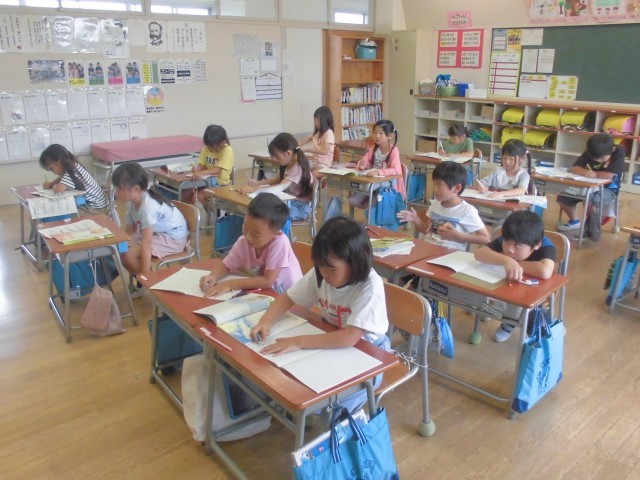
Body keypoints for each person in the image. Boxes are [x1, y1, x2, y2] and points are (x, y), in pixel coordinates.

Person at [250, 216, 389, 411]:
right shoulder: (322, 274)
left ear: (355, 262)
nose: (324, 273)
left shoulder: (370, 287)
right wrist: (265, 322)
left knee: (335, 408)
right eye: (320, 266)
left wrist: (299, 342)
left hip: (369, 351)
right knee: (297, 383)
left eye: (331, 268)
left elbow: (349, 337)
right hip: (331, 336)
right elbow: (287, 298)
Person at [199, 193, 303, 297]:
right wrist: (213, 276)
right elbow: (226, 265)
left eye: (256, 234)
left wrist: (230, 284)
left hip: (291, 297)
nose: (248, 237)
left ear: (277, 233)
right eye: (245, 227)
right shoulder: (243, 242)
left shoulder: (280, 242)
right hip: (266, 293)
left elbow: (267, 281)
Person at [474, 211, 556, 342]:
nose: (509, 249)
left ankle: (510, 321)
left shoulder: (545, 245)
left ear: (537, 245)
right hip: (507, 283)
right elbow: (479, 253)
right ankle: (496, 311)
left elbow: (545, 271)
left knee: (533, 318)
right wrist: (507, 261)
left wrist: (515, 264)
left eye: (517, 245)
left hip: (534, 291)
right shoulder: (510, 237)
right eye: (506, 241)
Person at [112, 163, 188, 297]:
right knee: (122, 250)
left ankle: (150, 282)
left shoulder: (148, 207)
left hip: (173, 238)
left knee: (129, 254)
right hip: (157, 234)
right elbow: (128, 233)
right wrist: (122, 245)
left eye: (119, 188)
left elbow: (146, 244)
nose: (116, 192)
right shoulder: (133, 202)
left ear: (136, 189)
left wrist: (145, 271)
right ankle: (145, 280)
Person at [397, 161, 490, 251]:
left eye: (439, 184)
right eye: (434, 183)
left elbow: (485, 239)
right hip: (428, 250)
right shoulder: (435, 205)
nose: (435, 189)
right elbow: (427, 230)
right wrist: (415, 219)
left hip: (450, 255)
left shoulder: (467, 210)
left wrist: (458, 236)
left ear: (457, 188)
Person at [556, 133, 624, 241]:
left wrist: (594, 174)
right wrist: (586, 172)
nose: (598, 161)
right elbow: (575, 167)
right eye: (595, 158)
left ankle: (590, 230)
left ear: (612, 149)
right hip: (586, 186)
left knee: (593, 198)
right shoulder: (593, 149)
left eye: (601, 159)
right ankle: (574, 221)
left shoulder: (618, 152)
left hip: (608, 189)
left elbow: (610, 175)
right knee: (564, 194)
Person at [241, 133, 314, 222]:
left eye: (276, 156)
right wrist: (258, 183)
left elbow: (279, 187)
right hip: (288, 200)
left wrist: (255, 189)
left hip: (299, 206)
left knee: (269, 215)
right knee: (262, 209)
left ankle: (277, 232)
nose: (274, 159)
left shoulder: (297, 168)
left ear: (288, 153)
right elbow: (278, 178)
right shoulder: (289, 163)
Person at [348, 119, 406, 208]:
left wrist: (378, 172)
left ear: (390, 136)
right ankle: (372, 207)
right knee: (353, 200)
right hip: (373, 181)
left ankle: (374, 210)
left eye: (381, 133)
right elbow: (365, 161)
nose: (377, 136)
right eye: (375, 132)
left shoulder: (394, 151)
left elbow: (396, 170)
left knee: (375, 202)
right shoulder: (373, 148)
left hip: (388, 183)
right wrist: (362, 165)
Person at [184, 125, 234, 221]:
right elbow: (201, 164)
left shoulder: (227, 150)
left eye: (211, 146)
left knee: (199, 195)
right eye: (207, 145)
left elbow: (217, 170)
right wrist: (197, 170)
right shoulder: (206, 148)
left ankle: (214, 213)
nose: (208, 148)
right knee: (186, 192)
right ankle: (190, 218)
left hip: (220, 184)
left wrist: (202, 173)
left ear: (219, 143)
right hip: (205, 182)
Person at [40, 144, 108, 211]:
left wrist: (54, 186)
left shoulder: (73, 170)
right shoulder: (73, 166)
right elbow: (61, 179)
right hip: (94, 204)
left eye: (51, 169)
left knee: (63, 211)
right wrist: (51, 184)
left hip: (96, 207)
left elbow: (58, 190)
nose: (52, 172)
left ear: (59, 162)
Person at [299, 106, 335, 171]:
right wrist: (291, 145)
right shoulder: (316, 132)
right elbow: (302, 142)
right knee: (298, 169)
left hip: (324, 164)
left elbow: (324, 151)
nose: (315, 122)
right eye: (315, 119)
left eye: (318, 120)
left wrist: (307, 149)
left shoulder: (329, 133)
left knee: (309, 176)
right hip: (314, 162)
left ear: (324, 120)